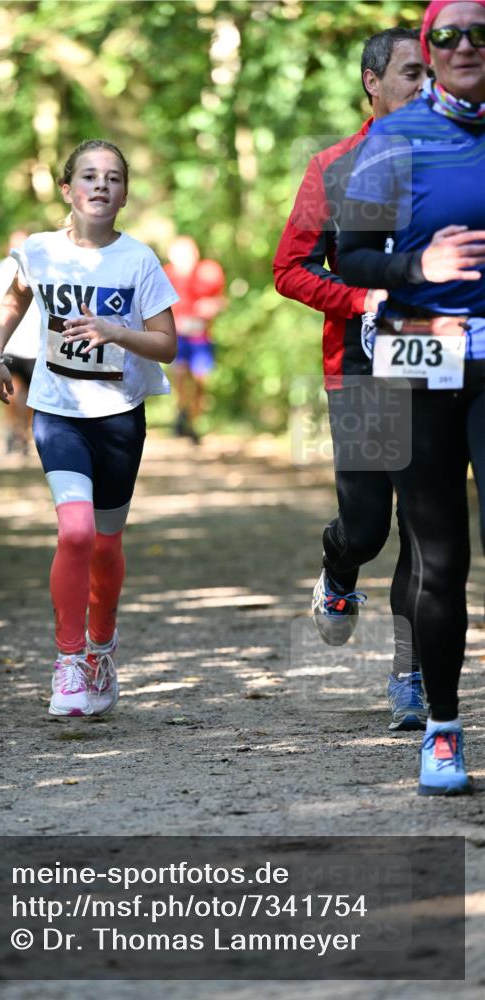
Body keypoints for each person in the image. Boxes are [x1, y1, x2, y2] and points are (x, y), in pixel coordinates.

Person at [338, 0, 485, 795]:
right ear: (428, 51)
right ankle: (439, 729)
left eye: (480, 33)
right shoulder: (393, 138)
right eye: (448, 35)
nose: (466, 46)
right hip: (418, 353)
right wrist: (415, 269)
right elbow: (349, 257)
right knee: (438, 557)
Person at [0, 139, 178, 717]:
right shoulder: (38, 251)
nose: (100, 186)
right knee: (75, 532)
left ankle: (101, 647)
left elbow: (166, 344)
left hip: (118, 417)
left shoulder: (139, 260)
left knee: (106, 543)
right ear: (67, 191)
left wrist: (115, 332)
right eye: (89, 177)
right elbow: (17, 295)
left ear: (123, 195)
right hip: (57, 409)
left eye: (113, 178)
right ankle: (68, 662)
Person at [273, 28, 429, 730]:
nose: (422, 85)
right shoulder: (335, 167)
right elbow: (289, 268)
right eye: (408, 73)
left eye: (429, 73)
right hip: (362, 366)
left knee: (428, 530)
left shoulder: (458, 157)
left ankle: (410, 675)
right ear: (371, 81)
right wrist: (360, 297)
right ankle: (339, 570)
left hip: (439, 359)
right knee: (367, 528)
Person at [0, 228, 40, 454]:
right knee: (13, 389)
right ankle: (15, 429)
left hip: (35, 342)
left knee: (28, 394)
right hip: (10, 343)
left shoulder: (40, 268)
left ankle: (20, 429)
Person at [164, 236, 226, 443]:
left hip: (201, 336)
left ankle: (192, 420)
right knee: (180, 373)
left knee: (201, 380)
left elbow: (221, 299)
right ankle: (181, 411)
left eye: (189, 253)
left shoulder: (209, 271)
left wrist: (211, 306)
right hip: (178, 335)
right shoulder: (166, 275)